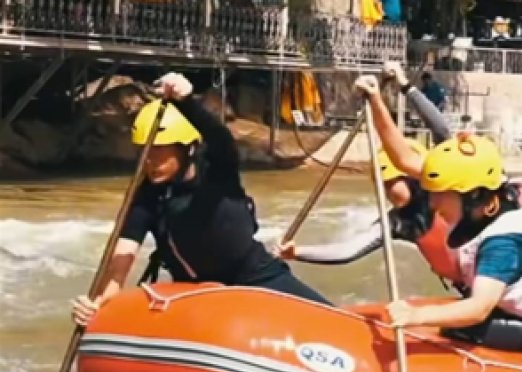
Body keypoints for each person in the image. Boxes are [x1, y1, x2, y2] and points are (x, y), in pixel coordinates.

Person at [353, 73, 522, 351]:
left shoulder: (503, 243)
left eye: (440, 195)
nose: (433, 204)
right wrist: (376, 99)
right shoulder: (493, 184)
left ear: (472, 197)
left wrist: (416, 315)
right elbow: (404, 159)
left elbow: (478, 309)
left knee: (459, 329)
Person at [72, 72, 331, 326]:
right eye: (145, 153)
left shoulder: (217, 171)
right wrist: (100, 305)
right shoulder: (148, 194)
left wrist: (186, 102)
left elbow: (220, 137)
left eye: (160, 152)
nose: (151, 162)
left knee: (329, 322)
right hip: (193, 293)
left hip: (255, 278)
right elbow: (123, 255)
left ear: (188, 148)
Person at [274, 138, 463, 290]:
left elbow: (441, 130)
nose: (386, 194)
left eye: (390, 184)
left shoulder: (453, 195)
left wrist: (408, 90)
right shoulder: (397, 221)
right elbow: (346, 251)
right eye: (383, 187)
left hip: (487, 286)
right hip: (467, 288)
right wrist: (297, 252)